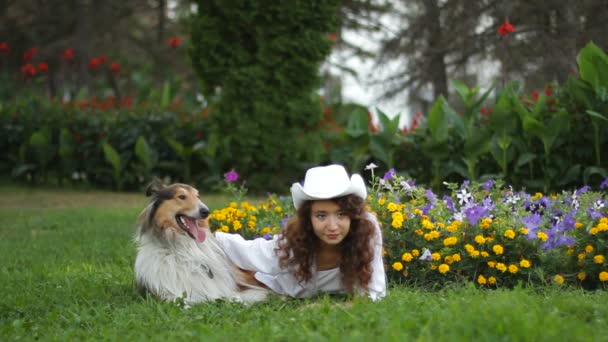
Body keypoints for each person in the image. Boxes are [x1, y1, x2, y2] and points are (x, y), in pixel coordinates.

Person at [214, 164, 387, 301]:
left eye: (341, 214)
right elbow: (254, 252)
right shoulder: (297, 239)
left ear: (353, 215)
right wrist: (210, 238)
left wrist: (325, 309)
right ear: (308, 218)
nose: (332, 226)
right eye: (321, 216)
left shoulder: (366, 228)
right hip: (276, 285)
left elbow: (375, 293)